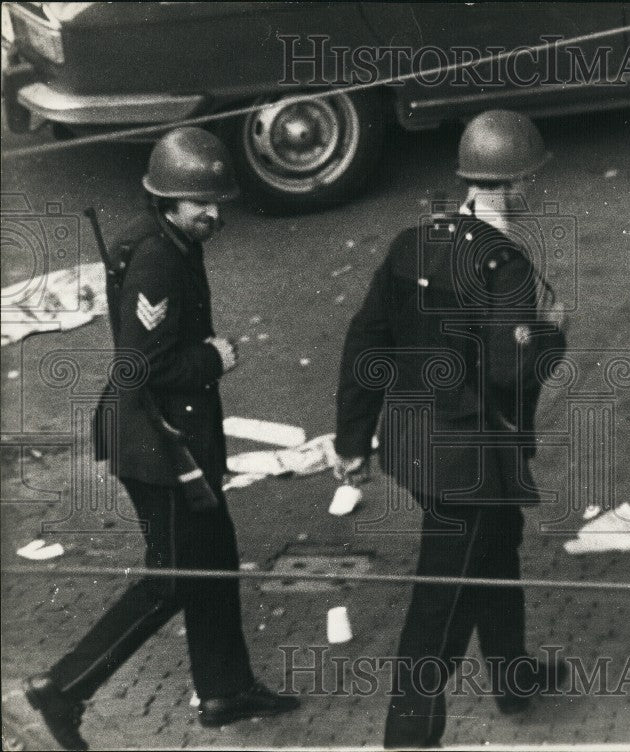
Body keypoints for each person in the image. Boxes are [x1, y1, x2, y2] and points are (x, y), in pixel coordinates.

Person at [22, 127, 298, 750]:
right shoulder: (156, 257)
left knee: (214, 561)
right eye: (200, 202)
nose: (213, 213)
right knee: (174, 578)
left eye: (215, 201)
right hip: (157, 446)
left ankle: (226, 691)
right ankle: (63, 689)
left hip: (174, 439)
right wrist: (212, 358)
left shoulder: (171, 239)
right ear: (167, 200)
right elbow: (141, 365)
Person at [332, 109, 568, 749]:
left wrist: (351, 440)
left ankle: (513, 676)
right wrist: (550, 332)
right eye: (532, 177)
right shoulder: (507, 267)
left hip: (415, 448)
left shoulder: (414, 241)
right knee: (440, 606)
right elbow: (510, 371)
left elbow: (366, 342)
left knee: (498, 551)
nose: (537, 188)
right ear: (513, 184)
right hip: (470, 460)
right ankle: (407, 738)